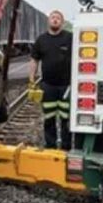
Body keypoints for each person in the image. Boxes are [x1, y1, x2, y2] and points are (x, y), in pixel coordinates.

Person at [28, 10, 72, 150]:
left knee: (66, 119)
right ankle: (50, 146)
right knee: (49, 118)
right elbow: (34, 60)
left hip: (66, 86)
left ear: (62, 22)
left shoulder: (70, 38)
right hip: (48, 86)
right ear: (48, 21)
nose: (55, 20)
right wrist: (31, 78)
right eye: (52, 17)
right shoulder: (41, 40)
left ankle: (66, 146)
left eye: (58, 18)